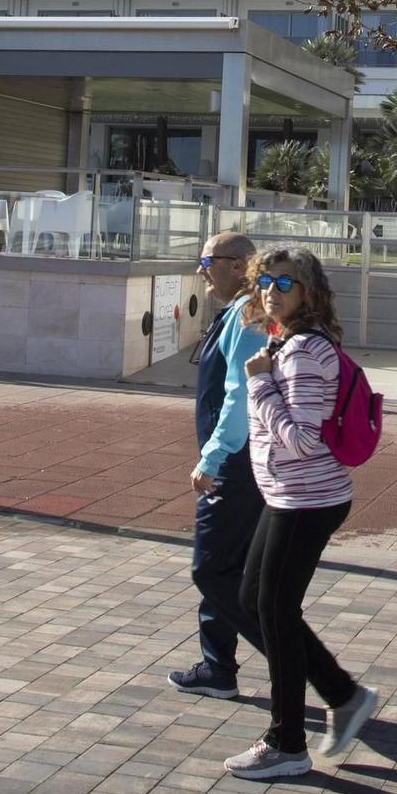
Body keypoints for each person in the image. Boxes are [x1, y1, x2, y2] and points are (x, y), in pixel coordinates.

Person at [222, 247, 378, 781]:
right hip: (290, 498)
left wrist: (260, 383)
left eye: (285, 283)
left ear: (309, 292)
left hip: (307, 500)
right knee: (255, 601)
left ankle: (287, 743)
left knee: (276, 615)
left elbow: (305, 442)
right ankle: (342, 694)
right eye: (264, 280)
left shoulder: (303, 352)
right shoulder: (285, 342)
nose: (271, 290)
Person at [167, 232, 266, 700]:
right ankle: (217, 667)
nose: (200, 269)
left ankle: (310, 666)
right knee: (227, 568)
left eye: (206, 260)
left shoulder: (247, 318)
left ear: (235, 265)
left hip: (235, 462)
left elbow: (240, 396)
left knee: (209, 569)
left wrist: (212, 458)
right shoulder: (236, 314)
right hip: (235, 459)